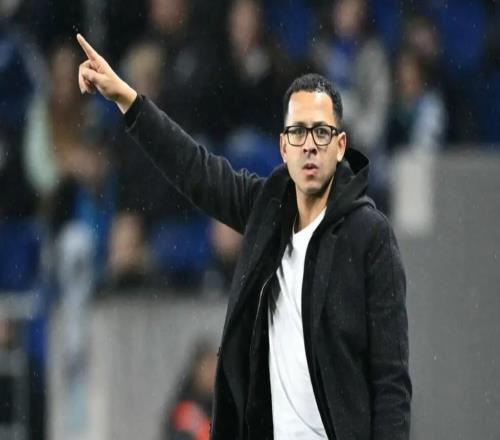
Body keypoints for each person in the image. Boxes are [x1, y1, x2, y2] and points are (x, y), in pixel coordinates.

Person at [76, 33, 411, 440]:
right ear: (283, 148)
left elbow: (390, 379)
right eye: (298, 133)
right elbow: (194, 169)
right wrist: (128, 100)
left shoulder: (370, 235)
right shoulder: (266, 211)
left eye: (321, 133)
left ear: (340, 146)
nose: (309, 146)